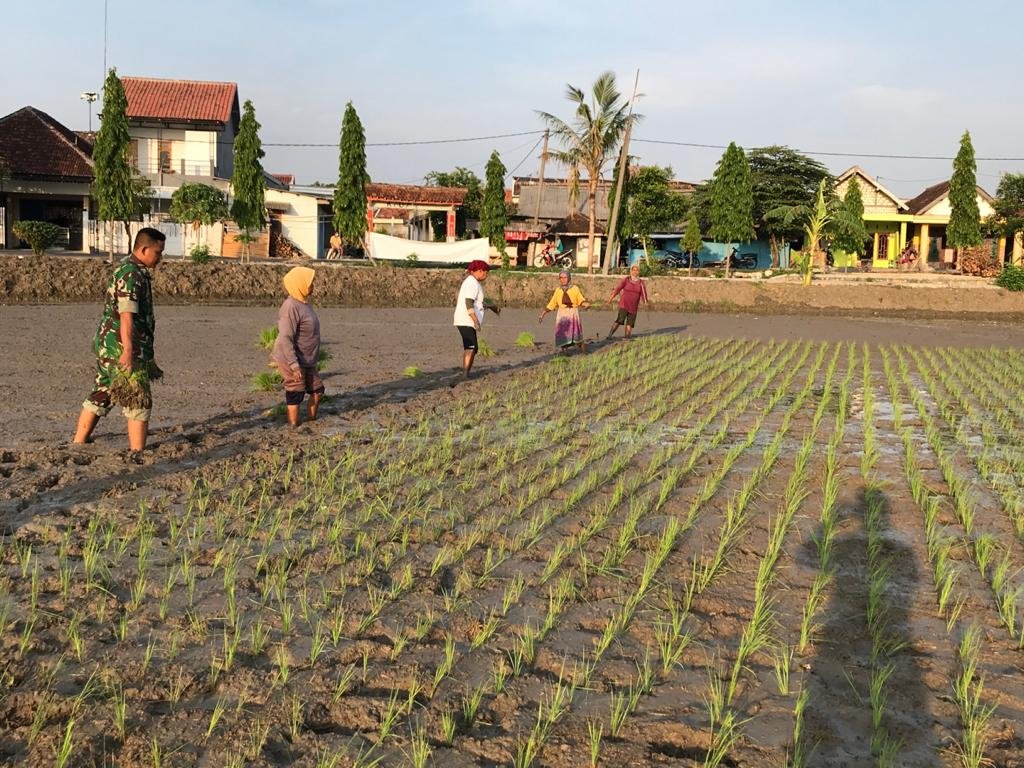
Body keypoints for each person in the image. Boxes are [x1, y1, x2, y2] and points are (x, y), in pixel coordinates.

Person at [73, 227, 166, 452]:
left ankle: (79, 442)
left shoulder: (130, 269)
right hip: (120, 347)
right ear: (143, 249)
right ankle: (137, 452)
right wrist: (129, 350)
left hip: (109, 344)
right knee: (138, 397)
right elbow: (126, 314)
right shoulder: (131, 274)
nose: (160, 258)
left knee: (103, 391)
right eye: (157, 252)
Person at [271, 266, 324, 427]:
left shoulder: (304, 304)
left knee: (317, 390)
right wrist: (294, 365)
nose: (312, 286)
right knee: (296, 390)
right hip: (292, 358)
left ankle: (311, 420)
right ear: (299, 284)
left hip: (307, 359)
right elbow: (286, 337)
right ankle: (293, 425)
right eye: (310, 283)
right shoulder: (290, 307)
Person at [453, 259, 500, 379]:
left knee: (473, 347)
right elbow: (468, 302)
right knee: (471, 347)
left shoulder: (473, 283)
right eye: (485, 272)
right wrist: (475, 319)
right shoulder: (471, 283)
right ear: (479, 271)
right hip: (466, 320)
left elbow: (477, 302)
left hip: (467, 320)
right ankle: (465, 374)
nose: (486, 275)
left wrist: (491, 307)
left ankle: (466, 373)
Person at [539, 270, 590, 353]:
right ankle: (564, 354)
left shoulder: (575, 289)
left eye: (565, 277)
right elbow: (552, 303)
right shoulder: (558, 290)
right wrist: (543, 314)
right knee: (563, 336)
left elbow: (580, 300)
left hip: (573, 314)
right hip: (562, 315)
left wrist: (585, 304)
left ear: (569, 278)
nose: (563, 279)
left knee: (577, 337)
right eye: (561, 278)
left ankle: (585, 353)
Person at [607, 264, 650, 339]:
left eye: (637, 270)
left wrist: (645, 302)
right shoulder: (626, 280)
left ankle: (627, 337)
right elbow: (617, 289)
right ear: (631, 271)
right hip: (624, 304)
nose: (635, 272)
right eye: (633, 270)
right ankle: (609, 335)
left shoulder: (641, 283)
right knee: (619, 320)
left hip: (633, 307)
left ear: (638, 272)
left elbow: (643, 294)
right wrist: (610, 299)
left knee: (630, 323)